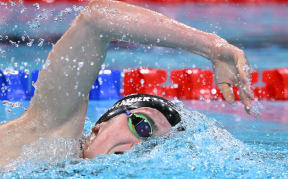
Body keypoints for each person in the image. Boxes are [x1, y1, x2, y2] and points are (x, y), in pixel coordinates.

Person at [0, 0, 252, 167]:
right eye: (141, 126)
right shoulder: (48, 137)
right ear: (98, 127)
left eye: (155, 146)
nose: (140, 147)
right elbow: (97, 19)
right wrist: (212, 47)